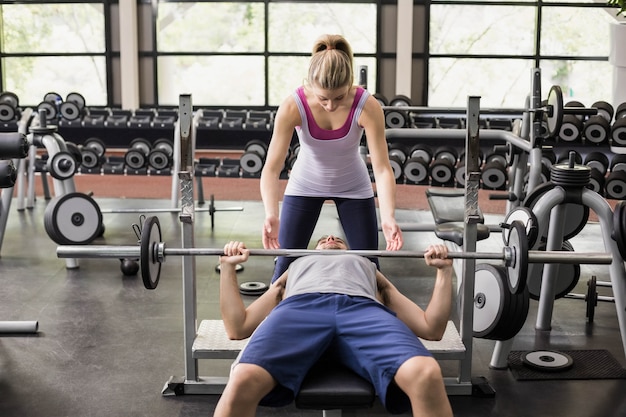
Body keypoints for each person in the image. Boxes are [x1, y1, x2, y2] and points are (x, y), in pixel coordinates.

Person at [214, 235, 454, 417]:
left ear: (349, 250)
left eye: (338, 239)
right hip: (299, 310)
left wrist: (444, 272)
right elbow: (238, 327)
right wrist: (227, 266)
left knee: (426, 372)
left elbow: (431, 328)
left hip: (363, 311)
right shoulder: (297, 266)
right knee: (243, 377)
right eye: (323, 239)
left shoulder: (364, 265)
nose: (330, 239)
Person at [260, 34, 404, 282]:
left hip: (353, 186)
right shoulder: (292, 106)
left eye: (338, 98)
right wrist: (271, 213)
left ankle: (373, 319)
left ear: (349, 84)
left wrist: (389, 216)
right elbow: (272, 169)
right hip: (305, 184)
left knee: (369, 267)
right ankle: (271, 320)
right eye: (322, 98)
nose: (329, 106)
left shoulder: (367, 106)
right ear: (310, 84)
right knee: (284, 264)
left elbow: (381, 169)